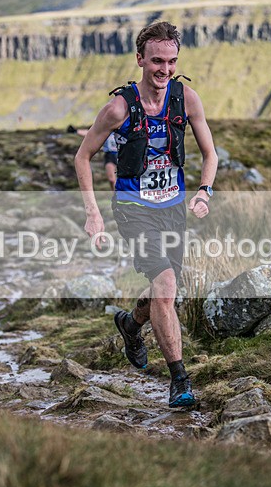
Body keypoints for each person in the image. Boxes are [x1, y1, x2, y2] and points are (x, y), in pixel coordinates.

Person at [73, 21, 218, 407]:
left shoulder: (186, 99)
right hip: (134, 208)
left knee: (163, 291)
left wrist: (204, 191)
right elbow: (83, 156)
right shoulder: (119, 107)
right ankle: (179, 381)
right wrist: (93, 214)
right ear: (140, 59)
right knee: (167, 287)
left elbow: (210, 154)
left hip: (173, 207)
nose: (164, 69)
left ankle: (130, 323)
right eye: (157, 60)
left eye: (171, 61)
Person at [69, 126, 120, 191]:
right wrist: (76, 131)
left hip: (122, 155)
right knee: (112, 179)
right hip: (109, 155)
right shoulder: (106, 128)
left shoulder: (122, 126)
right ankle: (116, 196)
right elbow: (91, 133)